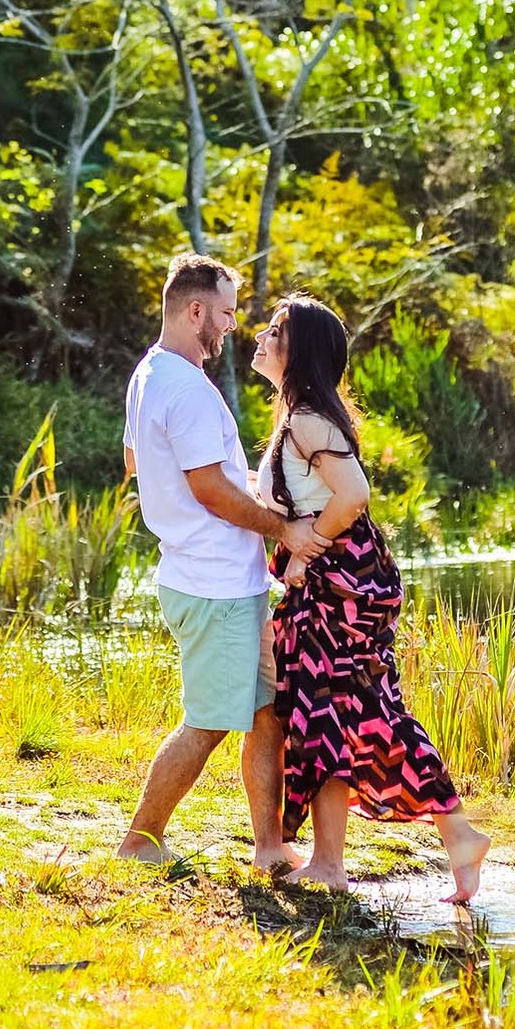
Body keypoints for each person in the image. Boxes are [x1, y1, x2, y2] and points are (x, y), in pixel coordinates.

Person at [251, 292, 491, 904]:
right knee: (362, 712)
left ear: (296, 350)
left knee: (327, 712)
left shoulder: (307, 419)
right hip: (337, 582)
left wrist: (306, 548)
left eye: (275, 329)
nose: (262, 335)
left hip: (337, 585)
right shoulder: (301, 418)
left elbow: (352, 493)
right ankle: (457, 835)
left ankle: (330, 863)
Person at [118, 253, 332, 870]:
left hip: (219, 576)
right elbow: (208, 488)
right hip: (211, 584)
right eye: (227, 314)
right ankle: (140, 840)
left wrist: (236, 490)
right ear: (195, 311)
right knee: (210, 722)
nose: (233, 326)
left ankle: (269, 847)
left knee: (265, 712)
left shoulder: (151, 373)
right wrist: (283, 526)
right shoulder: (182, 387)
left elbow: (136, 460)